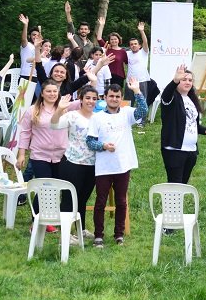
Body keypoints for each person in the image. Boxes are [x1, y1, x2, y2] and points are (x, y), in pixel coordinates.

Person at [86, 80, 147, 247]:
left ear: (121, 98)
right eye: (111, 96)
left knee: (121, 201)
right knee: (101, 201)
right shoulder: (97, 118)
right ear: (104, 97)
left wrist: (136, 91)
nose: (114, 99)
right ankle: (98, 235)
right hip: (104, 166)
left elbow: (143, 111)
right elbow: (90, 142)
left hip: (123, 165)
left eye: (117, 96)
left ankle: (118, 234)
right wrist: (103, 146)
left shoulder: (126, 113)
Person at [158, 64, 206, 185]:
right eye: (184, 79)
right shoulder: (172, 98)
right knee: (175, 186)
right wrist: (174, 80)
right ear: (177, 82)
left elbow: (192, 124)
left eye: (190, 80)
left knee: (183, 186)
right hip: (175, 151)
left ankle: (178, 204)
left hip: (191, 151)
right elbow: (165, 95)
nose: (187, 82)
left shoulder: (191, 99)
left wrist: (205, 130)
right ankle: (171, 204)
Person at [50, 85, 100, 242]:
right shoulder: (72, 116)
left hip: (92, 164)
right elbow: (54, 124)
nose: (91, 101)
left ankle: (81, 229)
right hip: (72, 162)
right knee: (69, 198)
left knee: (83, 199)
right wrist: (59, 110)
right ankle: (65, 234)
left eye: (94, 98)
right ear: (81, 99)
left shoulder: (99, 118)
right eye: (88, 98)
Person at [126, 22, 151, 104]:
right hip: (129, 82)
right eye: (131, 44)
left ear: (139, 45)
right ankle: (128, 117)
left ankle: (142, 117)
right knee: (128, 103)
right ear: (129, 46)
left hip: (142, 81)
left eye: (135, 44)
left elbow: (145, 42)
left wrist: (141, 31)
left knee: (142, 103)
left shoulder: (143, 52)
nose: (133, 45)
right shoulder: (127, 53)